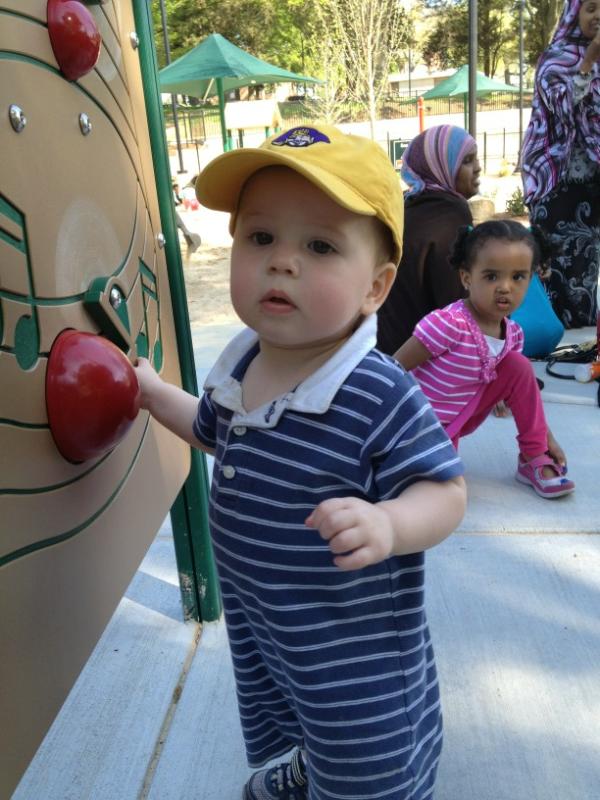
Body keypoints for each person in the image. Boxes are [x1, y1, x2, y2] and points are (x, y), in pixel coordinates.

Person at [136, 124, 467, 800]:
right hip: (279, 631)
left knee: (366, 765)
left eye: (319, 246)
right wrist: (148, 392)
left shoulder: (376, 391)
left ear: (375, 287)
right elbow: (210, 432)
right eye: (261, 237)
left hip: (356, 657)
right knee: (305, 720)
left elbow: (445, 491)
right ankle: (315, 766)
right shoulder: (243, 367)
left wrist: (390, 524)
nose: (281, 262)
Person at [395, 220, 575, 500]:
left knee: (519, 366)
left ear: (531, 279)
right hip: (421, 425)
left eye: (518, 277)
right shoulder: (449, 323)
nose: (505, 287)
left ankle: (533, 455)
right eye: (491, 276)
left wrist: (546, 439)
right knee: (440, 491)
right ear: (467, 278)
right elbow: (392, 369)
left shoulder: (513, 333)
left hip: (461, 415)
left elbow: (521, 390)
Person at [521, 0, 600, 328]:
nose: (598, 16)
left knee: (586, 265)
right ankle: (548, 335)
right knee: (555, 265)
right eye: (591, 8)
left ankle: (583, 339)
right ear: (574, 13)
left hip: (593, 180)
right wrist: (589, 59)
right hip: (556, 179)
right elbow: (564, 106)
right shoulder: (554, 59)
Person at [377, 124, 481, 354]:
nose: (478, 168)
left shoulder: (408, 204)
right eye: (467, 161)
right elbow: (457, 305)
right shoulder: (450, 212)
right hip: (420, 357)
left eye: (475, 159)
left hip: (385, 349)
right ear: (440, 167)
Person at [172, 179, 201, 253]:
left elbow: (182, 201)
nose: (177, 190)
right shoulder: (188, 190)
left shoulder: (182, 191)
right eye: (176, 188)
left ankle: (187, 233)